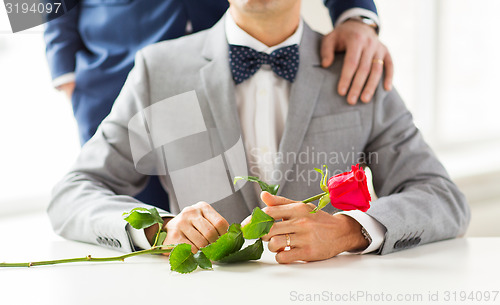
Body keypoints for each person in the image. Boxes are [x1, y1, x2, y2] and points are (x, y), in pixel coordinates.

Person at [48, 0, 470, 264]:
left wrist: (349, 229)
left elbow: (442, 197)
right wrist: (60, 63)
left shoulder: (355, 74)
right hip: (109, 80)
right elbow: (76, 193)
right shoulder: (157, 71)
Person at [44, 0, 392, 212]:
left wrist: (355, 15)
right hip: (113, 75)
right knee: (138, 231)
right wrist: (63, 68)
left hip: (228, 63)